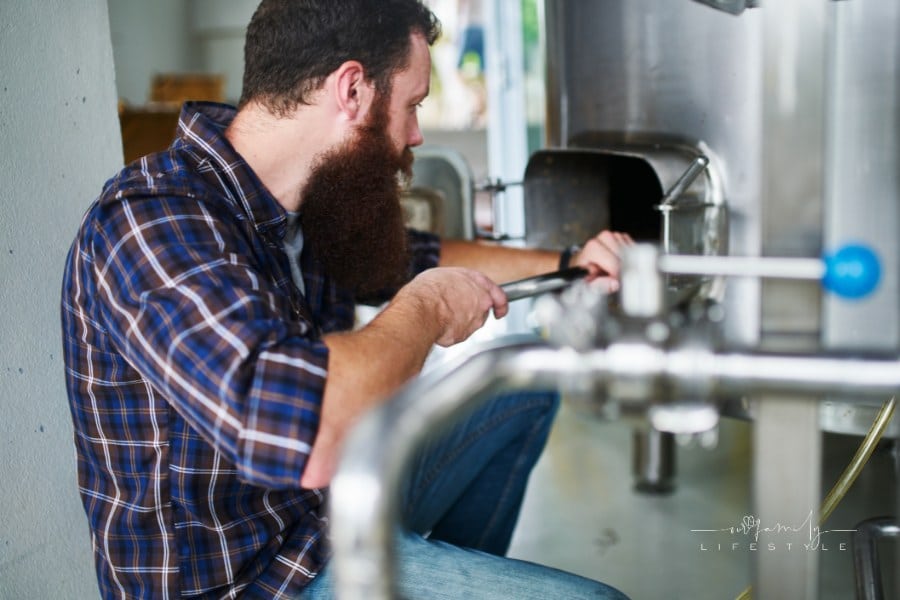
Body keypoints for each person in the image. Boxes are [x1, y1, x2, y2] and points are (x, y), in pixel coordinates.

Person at [61, 1, 631, 598]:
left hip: (324, 517)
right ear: (352, 89)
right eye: (412, 104)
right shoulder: (150, 225)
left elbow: (419, 256)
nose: (415, 134)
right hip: (256, 580)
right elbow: (312, 437)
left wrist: (572, 263)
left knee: (522, 379)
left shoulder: (304, 203)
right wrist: (428, 307)